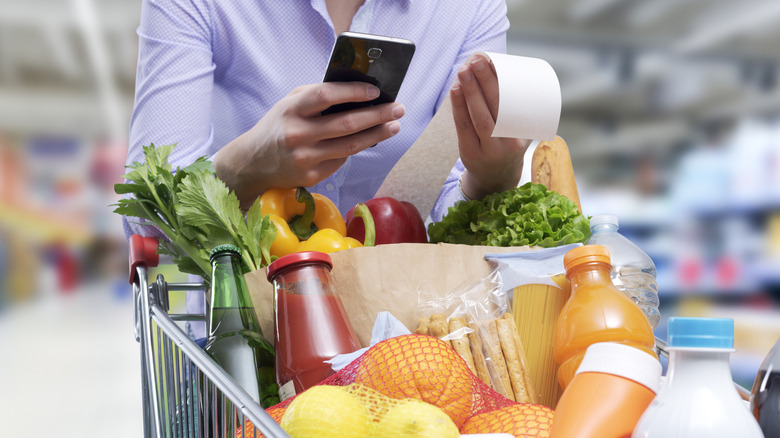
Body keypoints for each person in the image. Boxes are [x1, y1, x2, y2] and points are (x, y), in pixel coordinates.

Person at [125, 0, 530, 339]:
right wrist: (247, 166)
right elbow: (145, 211)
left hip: (391, 331)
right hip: (240, 334)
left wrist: (489, 177)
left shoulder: (468, 8)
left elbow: (448, 209)